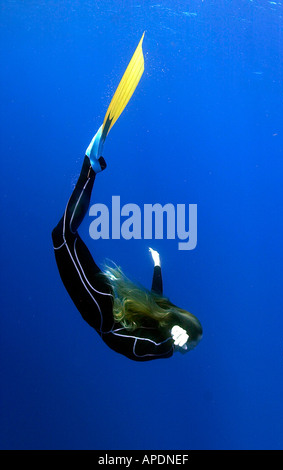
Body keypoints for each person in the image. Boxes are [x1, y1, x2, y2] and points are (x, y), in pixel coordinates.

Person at [51, 33, 202, 361]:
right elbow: (157, 301)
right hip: (100, 305)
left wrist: (170, 342)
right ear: (179, 320)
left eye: (185, 342)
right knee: (61, 236)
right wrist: (158, 265)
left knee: (63, 236)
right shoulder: (162, 328)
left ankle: (91, 168)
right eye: (183, 332)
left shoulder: (162, 348)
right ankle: (90, 167)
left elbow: (155, 336)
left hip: (102, 307)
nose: (180, 339)